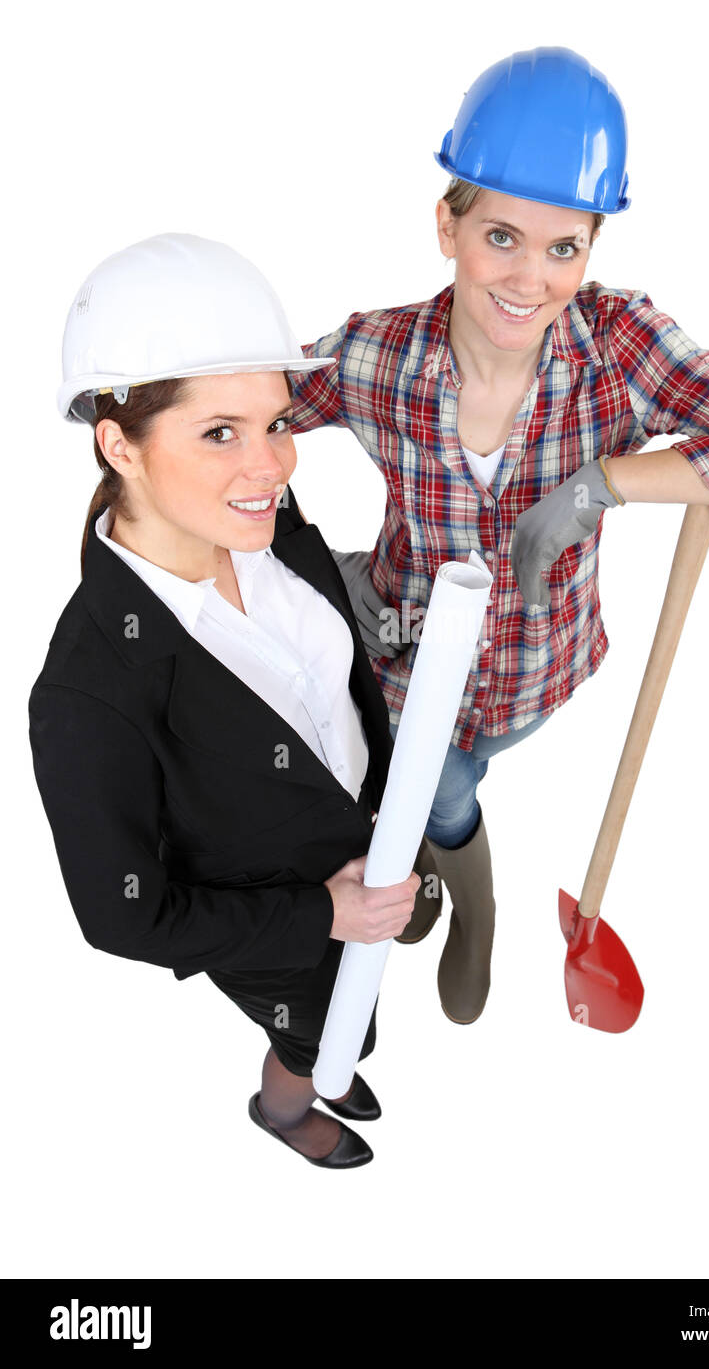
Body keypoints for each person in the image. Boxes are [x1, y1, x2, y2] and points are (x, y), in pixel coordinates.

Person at [288, 47, 709, 1025]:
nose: (529, 279)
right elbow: (239, 410)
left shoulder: (618, 347)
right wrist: (139, 404)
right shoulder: (379, 355)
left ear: (589, 248)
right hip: (398, 653)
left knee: (445, 778)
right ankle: (414, 859)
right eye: (500, 235)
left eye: (562, 248)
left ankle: (474, 908)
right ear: (447, 226)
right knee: (383, 762)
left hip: (528, 673)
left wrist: (601, 485)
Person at [28, 233, 420, 1170]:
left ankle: (321, 1053)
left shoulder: (261, 520)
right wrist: (321, 918)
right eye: (219, 433)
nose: (272, 466)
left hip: (365, 847)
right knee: (330, 1031)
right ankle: (286, 1104)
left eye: (277, 423)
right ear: (117, 443)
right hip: (285, 925)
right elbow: (122, 916)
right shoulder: (90, 690)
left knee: (353, 1011)